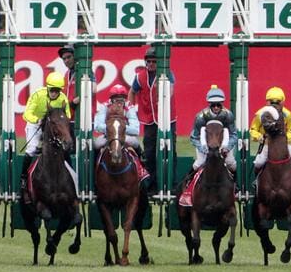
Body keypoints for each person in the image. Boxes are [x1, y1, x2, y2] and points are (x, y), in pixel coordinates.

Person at [22, 72, 76, 193]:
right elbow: (27, 114)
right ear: (47, 87)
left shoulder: (63, 98)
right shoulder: (37, 95)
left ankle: (72, 176)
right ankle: (24, 178)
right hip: (36, 122)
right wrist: (38, 120)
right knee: (32, 148)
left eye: (57, 90)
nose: (54, 93)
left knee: (63, 148)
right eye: (52, 90)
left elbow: (67, 115)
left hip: (53, 124)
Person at [130, 47, 177, 187]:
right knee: (149, 152)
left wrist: (164, 95)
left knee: (170, 150)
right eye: (148, 61)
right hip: (149, 119)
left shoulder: (167, 73)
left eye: (154, 61)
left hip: (168, 119)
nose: (151, 64)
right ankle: (151, 183)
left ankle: (172, 182)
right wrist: (131, 109)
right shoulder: (139, 76)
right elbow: (132, 92)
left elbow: (171, 89)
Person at [92, 84, 151, 185]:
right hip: (109, 135)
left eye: (122, 99)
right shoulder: (104, 106)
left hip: (124, 135)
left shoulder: (130, 108)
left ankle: (141, 169)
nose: (119, 102)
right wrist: (112, 129)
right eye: (116, 99)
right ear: (111, 99)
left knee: (136, 143)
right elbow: (97, 126)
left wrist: (120, 128)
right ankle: (94, 172)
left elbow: (136, 129)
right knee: (96, 144)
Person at [249, 86, 291, 186]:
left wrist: (285, 139)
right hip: (267, 144)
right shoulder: (260, 114)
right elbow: (253, 130)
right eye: (271, 102)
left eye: (277, 102)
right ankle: (256, 184)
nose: (274, 105)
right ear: (267, 102)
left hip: (283, 145)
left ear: (283, 102)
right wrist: (259, 137)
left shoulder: (288, 115)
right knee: (258, 163)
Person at [188, 86, 238, 174]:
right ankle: (188, 181)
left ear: (222, 104)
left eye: (218, 105)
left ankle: (235, 185)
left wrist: (227, 147)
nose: (216, 107)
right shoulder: (201, 117)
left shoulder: (228, 115)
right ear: (209, 104)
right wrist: (202, 147)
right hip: (205, 144)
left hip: (223, 143)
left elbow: (233, 134)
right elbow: (194, 137)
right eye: (213, 105)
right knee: (199, 163)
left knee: (231, 163)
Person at [57, 43, 79, 119]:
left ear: (75, 56)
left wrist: (76, 101)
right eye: (64, 59)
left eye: (69, 57)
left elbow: (93, 89)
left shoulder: (84, 71)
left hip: (81, 118)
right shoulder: (67, 74)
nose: (66, 60)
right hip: (68, 117)